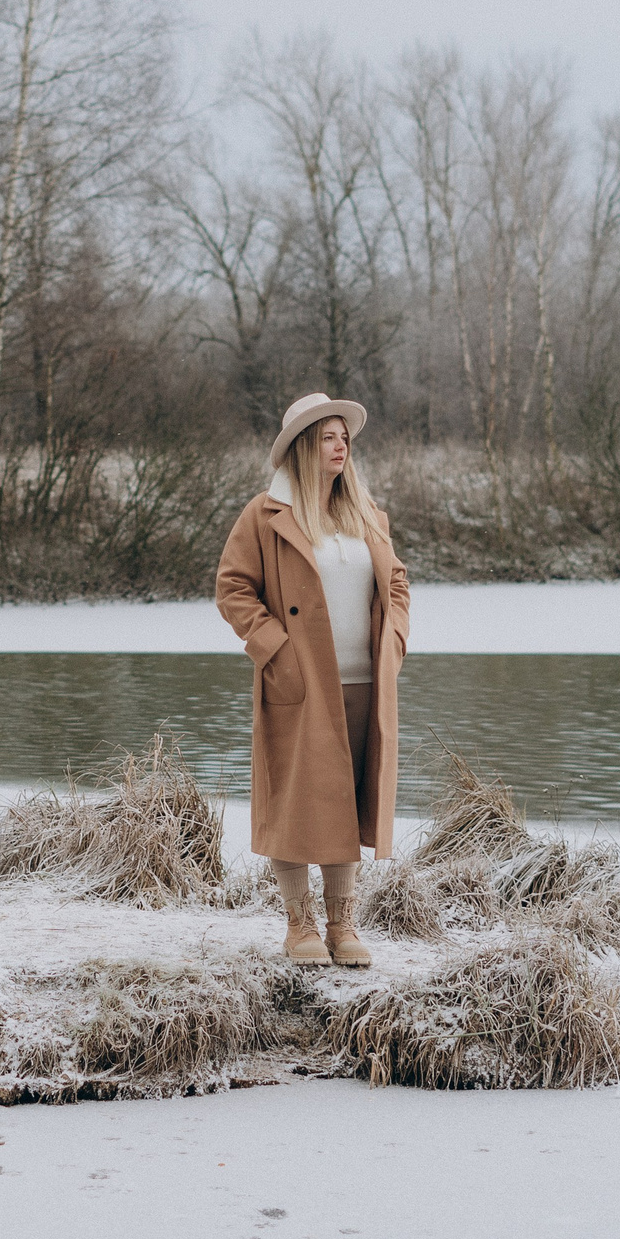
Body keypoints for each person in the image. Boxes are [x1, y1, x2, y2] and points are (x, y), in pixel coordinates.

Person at [215, 392, 411, 967]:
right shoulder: (265, 515)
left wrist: (394, 641)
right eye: (328, 437)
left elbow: (396, 584)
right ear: (303, 447)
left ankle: (342, 925)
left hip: (365, 684)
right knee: (296, 803)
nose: (341, 446)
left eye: (344, 437)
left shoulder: (366, 513)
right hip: (298, 685)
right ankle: (298, 924)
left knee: (346, 802)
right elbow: (233, 588)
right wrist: (277, 651)